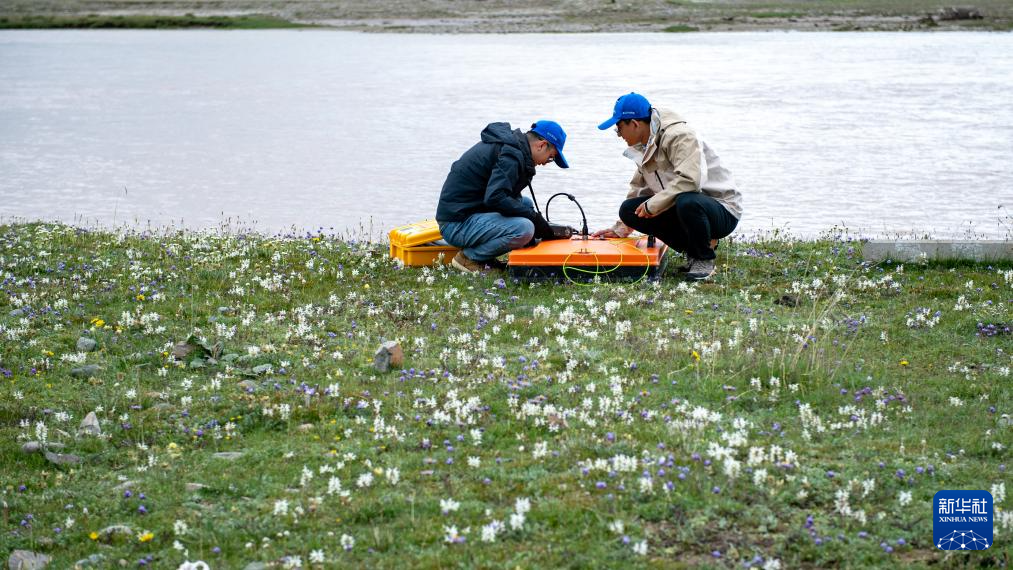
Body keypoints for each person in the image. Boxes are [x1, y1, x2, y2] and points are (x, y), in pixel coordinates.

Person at [593, 93, 741, 281]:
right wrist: (621, 228)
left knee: (687, 201)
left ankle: (703, 258)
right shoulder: (643, 144)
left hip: (721, 208)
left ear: (635, 124)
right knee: (628, 210)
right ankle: (693, 247)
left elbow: (691, 181)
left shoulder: (679, 135)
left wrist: (654, 205)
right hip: (683, 204)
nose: (618, 134)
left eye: (619, 128)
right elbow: (640, 189)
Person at [436, 120, 570, 273]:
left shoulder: (512, 148)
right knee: (525, 229)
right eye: (551, 157)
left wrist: (534, 219)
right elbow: (495, 198)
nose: (546, 163)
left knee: (525, 203)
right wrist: (533, 218)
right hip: (456, 225)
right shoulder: (510, 155)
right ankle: (468, 258)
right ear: (541, 145)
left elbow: (502, 197)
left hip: (467, 214)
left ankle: (486, 257)